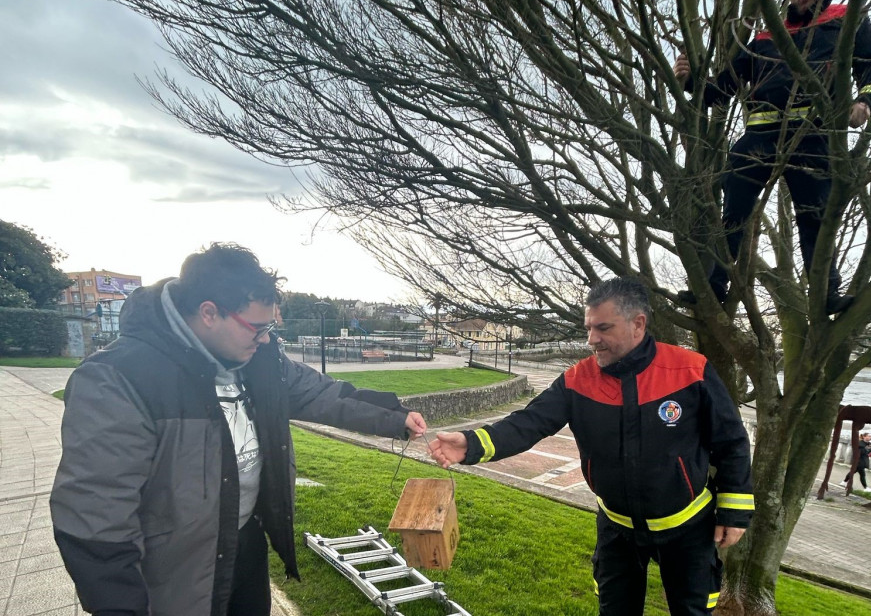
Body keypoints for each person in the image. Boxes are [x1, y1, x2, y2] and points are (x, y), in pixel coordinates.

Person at [50, 243, 427, 616]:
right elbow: (96, 515)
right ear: (209, 313)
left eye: (270, 327)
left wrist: (395, 417)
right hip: (175, 568)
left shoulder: (259, 359)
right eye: (258, 327)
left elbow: (323, 394)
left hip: (245, 540)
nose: (265, 338)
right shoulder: (118, 377)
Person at [429, 278, 754, 615]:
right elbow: (528, 423)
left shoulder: (691, 370)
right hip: (617, 531)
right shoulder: (577, 379)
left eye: (603, 328)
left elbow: (731, 442)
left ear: (638, 324)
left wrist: (734, 512)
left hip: (688, 529)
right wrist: (470, 444)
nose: (591, 340)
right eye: (588, 328)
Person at [674, 0, 871, 315]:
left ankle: (825, 295)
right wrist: (690, 81)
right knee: (732, 211)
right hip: (759, 137)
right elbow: (723, 88)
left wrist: (864, 102)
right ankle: (712, 287)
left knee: (816, 218)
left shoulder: (845, 19)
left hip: (814, 137)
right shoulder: (763, 35)